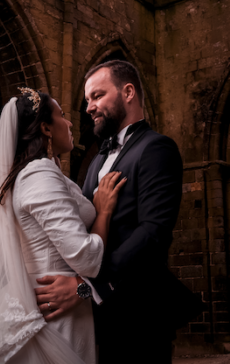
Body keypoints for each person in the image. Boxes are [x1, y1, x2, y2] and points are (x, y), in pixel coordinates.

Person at [0, 88, 125, 364]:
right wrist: (104, 211)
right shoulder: (39, 174)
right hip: (54, 310)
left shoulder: (40, 172)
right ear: (46, 128)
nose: (70, 123)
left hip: (51, 299)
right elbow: (85, 256)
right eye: (62, 116)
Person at [34, 60, 186, 364]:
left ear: (128, 92)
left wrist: (82, 288)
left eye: (97, 96)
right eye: (87, 100)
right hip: (94, 322)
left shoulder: (157, 148)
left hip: (139, 317)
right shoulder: (95, 163)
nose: (89, 107)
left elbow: (153, 233)